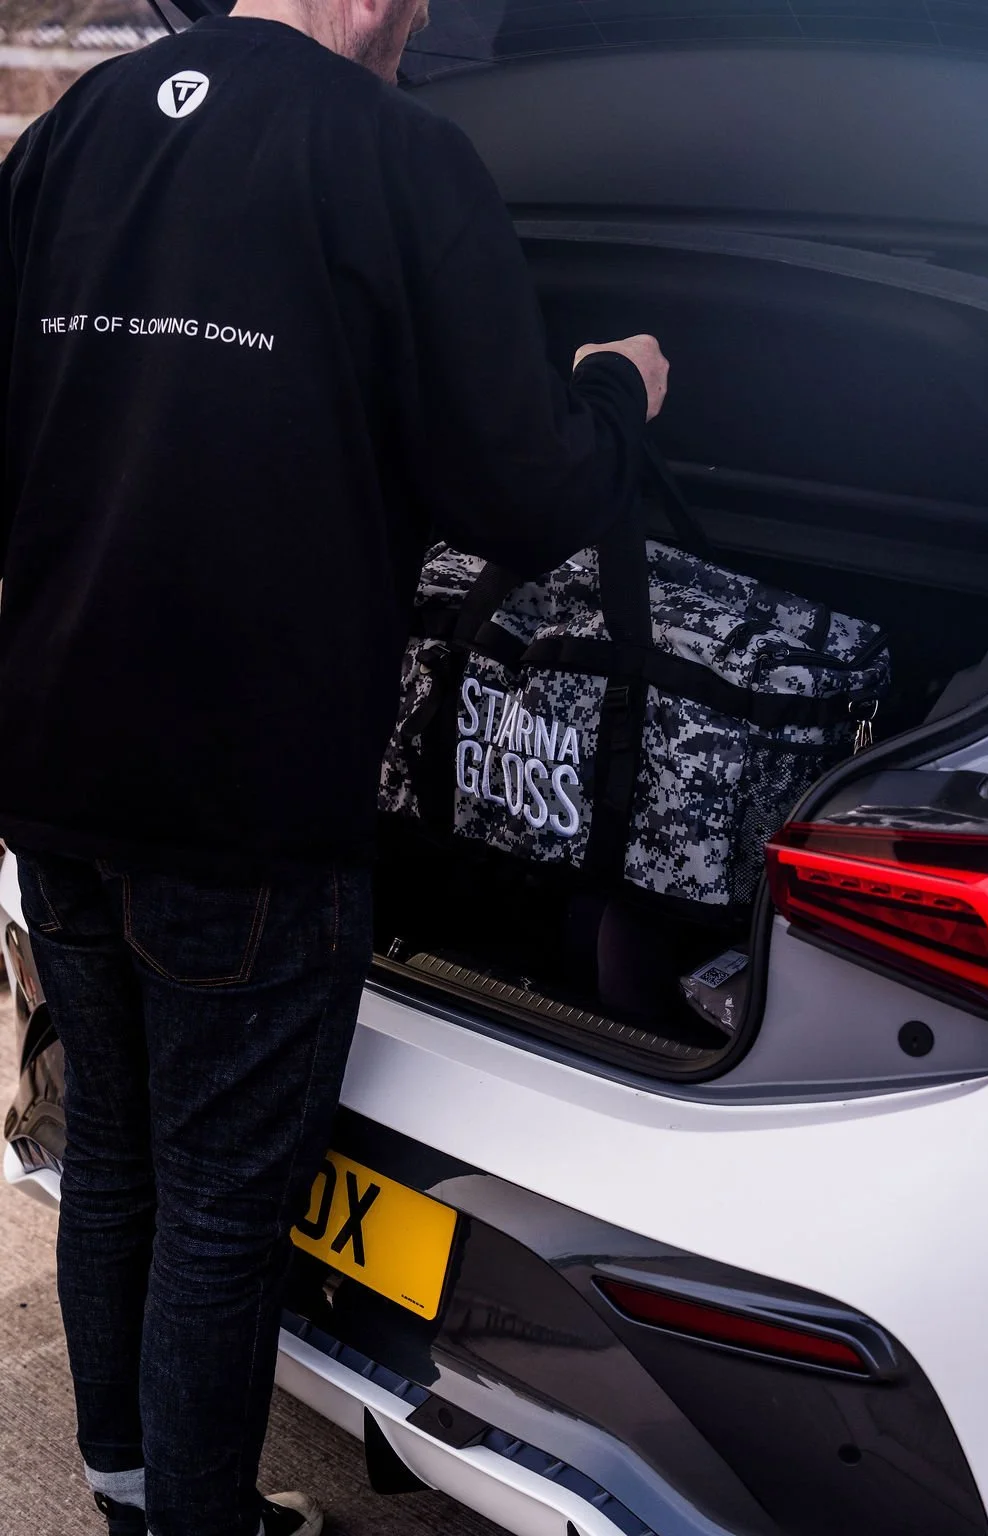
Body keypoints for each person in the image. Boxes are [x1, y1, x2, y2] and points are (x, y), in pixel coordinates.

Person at [0, 0, 669, 1531]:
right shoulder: (399, 160)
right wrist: (616, 386)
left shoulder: (74, 135)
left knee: (116, 1139)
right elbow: (524, 490)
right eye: (422, 5)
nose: (422, 28)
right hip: (243, 803)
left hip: (53, 761)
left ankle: (126, 1485)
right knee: (226, 1200)